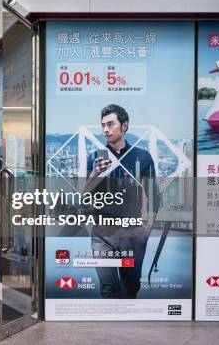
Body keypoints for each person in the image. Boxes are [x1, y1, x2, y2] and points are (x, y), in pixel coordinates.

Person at [84, 104, 156, 299]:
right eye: (103, 125)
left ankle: (127, 327)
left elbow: (153, 194)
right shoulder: (95, 158)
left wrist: (147, 228)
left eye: (110, 124)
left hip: (132, 232)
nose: (106, 130)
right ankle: (109, 328)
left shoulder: (142, 156)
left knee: (131, 287)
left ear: (124, 126)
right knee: (108, 289)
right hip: (102, 234)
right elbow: (84, 195)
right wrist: (96, 173)